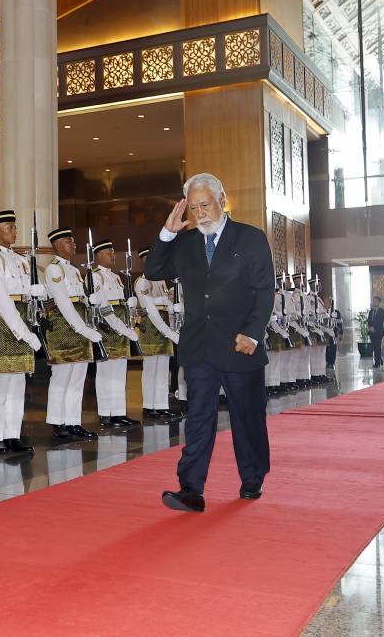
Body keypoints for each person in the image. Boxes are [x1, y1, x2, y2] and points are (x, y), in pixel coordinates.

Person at [146, 172, 274, 513]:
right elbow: (153, 271)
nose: (200, 213)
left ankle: (252, 478)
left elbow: (264, 292)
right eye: (193, 207)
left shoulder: (250, 238)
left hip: (239, 344)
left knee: (246, 417)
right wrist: (168, 232)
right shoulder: (185, 242)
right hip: (199, 346)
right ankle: (191, 488)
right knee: (198, 417)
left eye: (205, 205)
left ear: (222, 199)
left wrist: (253, 333)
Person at [0, 210, 42, 453]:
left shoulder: (22, 260)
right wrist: (23, 332)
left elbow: (29, 291)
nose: (14, 231)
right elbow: (0, 298)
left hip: (24, 317)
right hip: (7, 322)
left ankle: (12, 433)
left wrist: (39, 291)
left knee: (18, 382)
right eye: (10, 227)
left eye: (15, 227)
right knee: (0, 381)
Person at [44, 227, 101, 440]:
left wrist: (90, 302)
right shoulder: (54, 269)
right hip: (63, 326)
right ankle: (58, 423)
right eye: (69, 241)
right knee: (61, 377)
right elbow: (63, 302)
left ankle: (73, 422)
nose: (73, 245)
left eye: (73, 241)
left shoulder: (75, 270)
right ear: (57, 245)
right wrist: (82, 328)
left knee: (78, 378)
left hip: (80, 323)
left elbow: (79, 299)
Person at [91, 239, 140, 428]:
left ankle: (118, 412)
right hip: (108, 327)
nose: (112, 255)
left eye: (113, 251)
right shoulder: (96, 276)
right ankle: (105, 413)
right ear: (98, 255)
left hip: (121, 327)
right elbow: (104, 309)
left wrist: (130, 307)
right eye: (108, 252)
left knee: (120, 372)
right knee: (106, 373)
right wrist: (124, 329)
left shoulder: (117, 276)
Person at [135, 248, 181, 418]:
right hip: (152, 328)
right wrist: (163, 300)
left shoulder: (160, 280)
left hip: (164, 326)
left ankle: (161, 404)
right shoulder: (142, 281)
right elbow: (148, 306)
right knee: (150, 368)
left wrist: (171, 304)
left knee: (162, 368)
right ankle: (149, 406)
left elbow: (164, 303)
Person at [368, 296, 384, 368]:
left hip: (379, 331)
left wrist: (374, 327)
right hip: (371, 332)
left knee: (377, 346)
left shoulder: (382, 311)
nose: (374, 302)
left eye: (376, 301)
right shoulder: (371, 311)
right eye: (374, 301)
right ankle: (379, 359)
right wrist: (370, 327)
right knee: (374, 347)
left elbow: (380, 321)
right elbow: (369, 320)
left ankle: (377, 363)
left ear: (379, 302)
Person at [325, 298, 343, 369]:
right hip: (325, 333)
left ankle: (331, 363)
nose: (325, 304)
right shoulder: (322, 311)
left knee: (333, 348)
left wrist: (341, 333)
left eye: (327, 302)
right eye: (325, 302)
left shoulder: (336, 312)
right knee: (326, 348)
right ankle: (326, 362)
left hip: (334, 333)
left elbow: (340, 323)